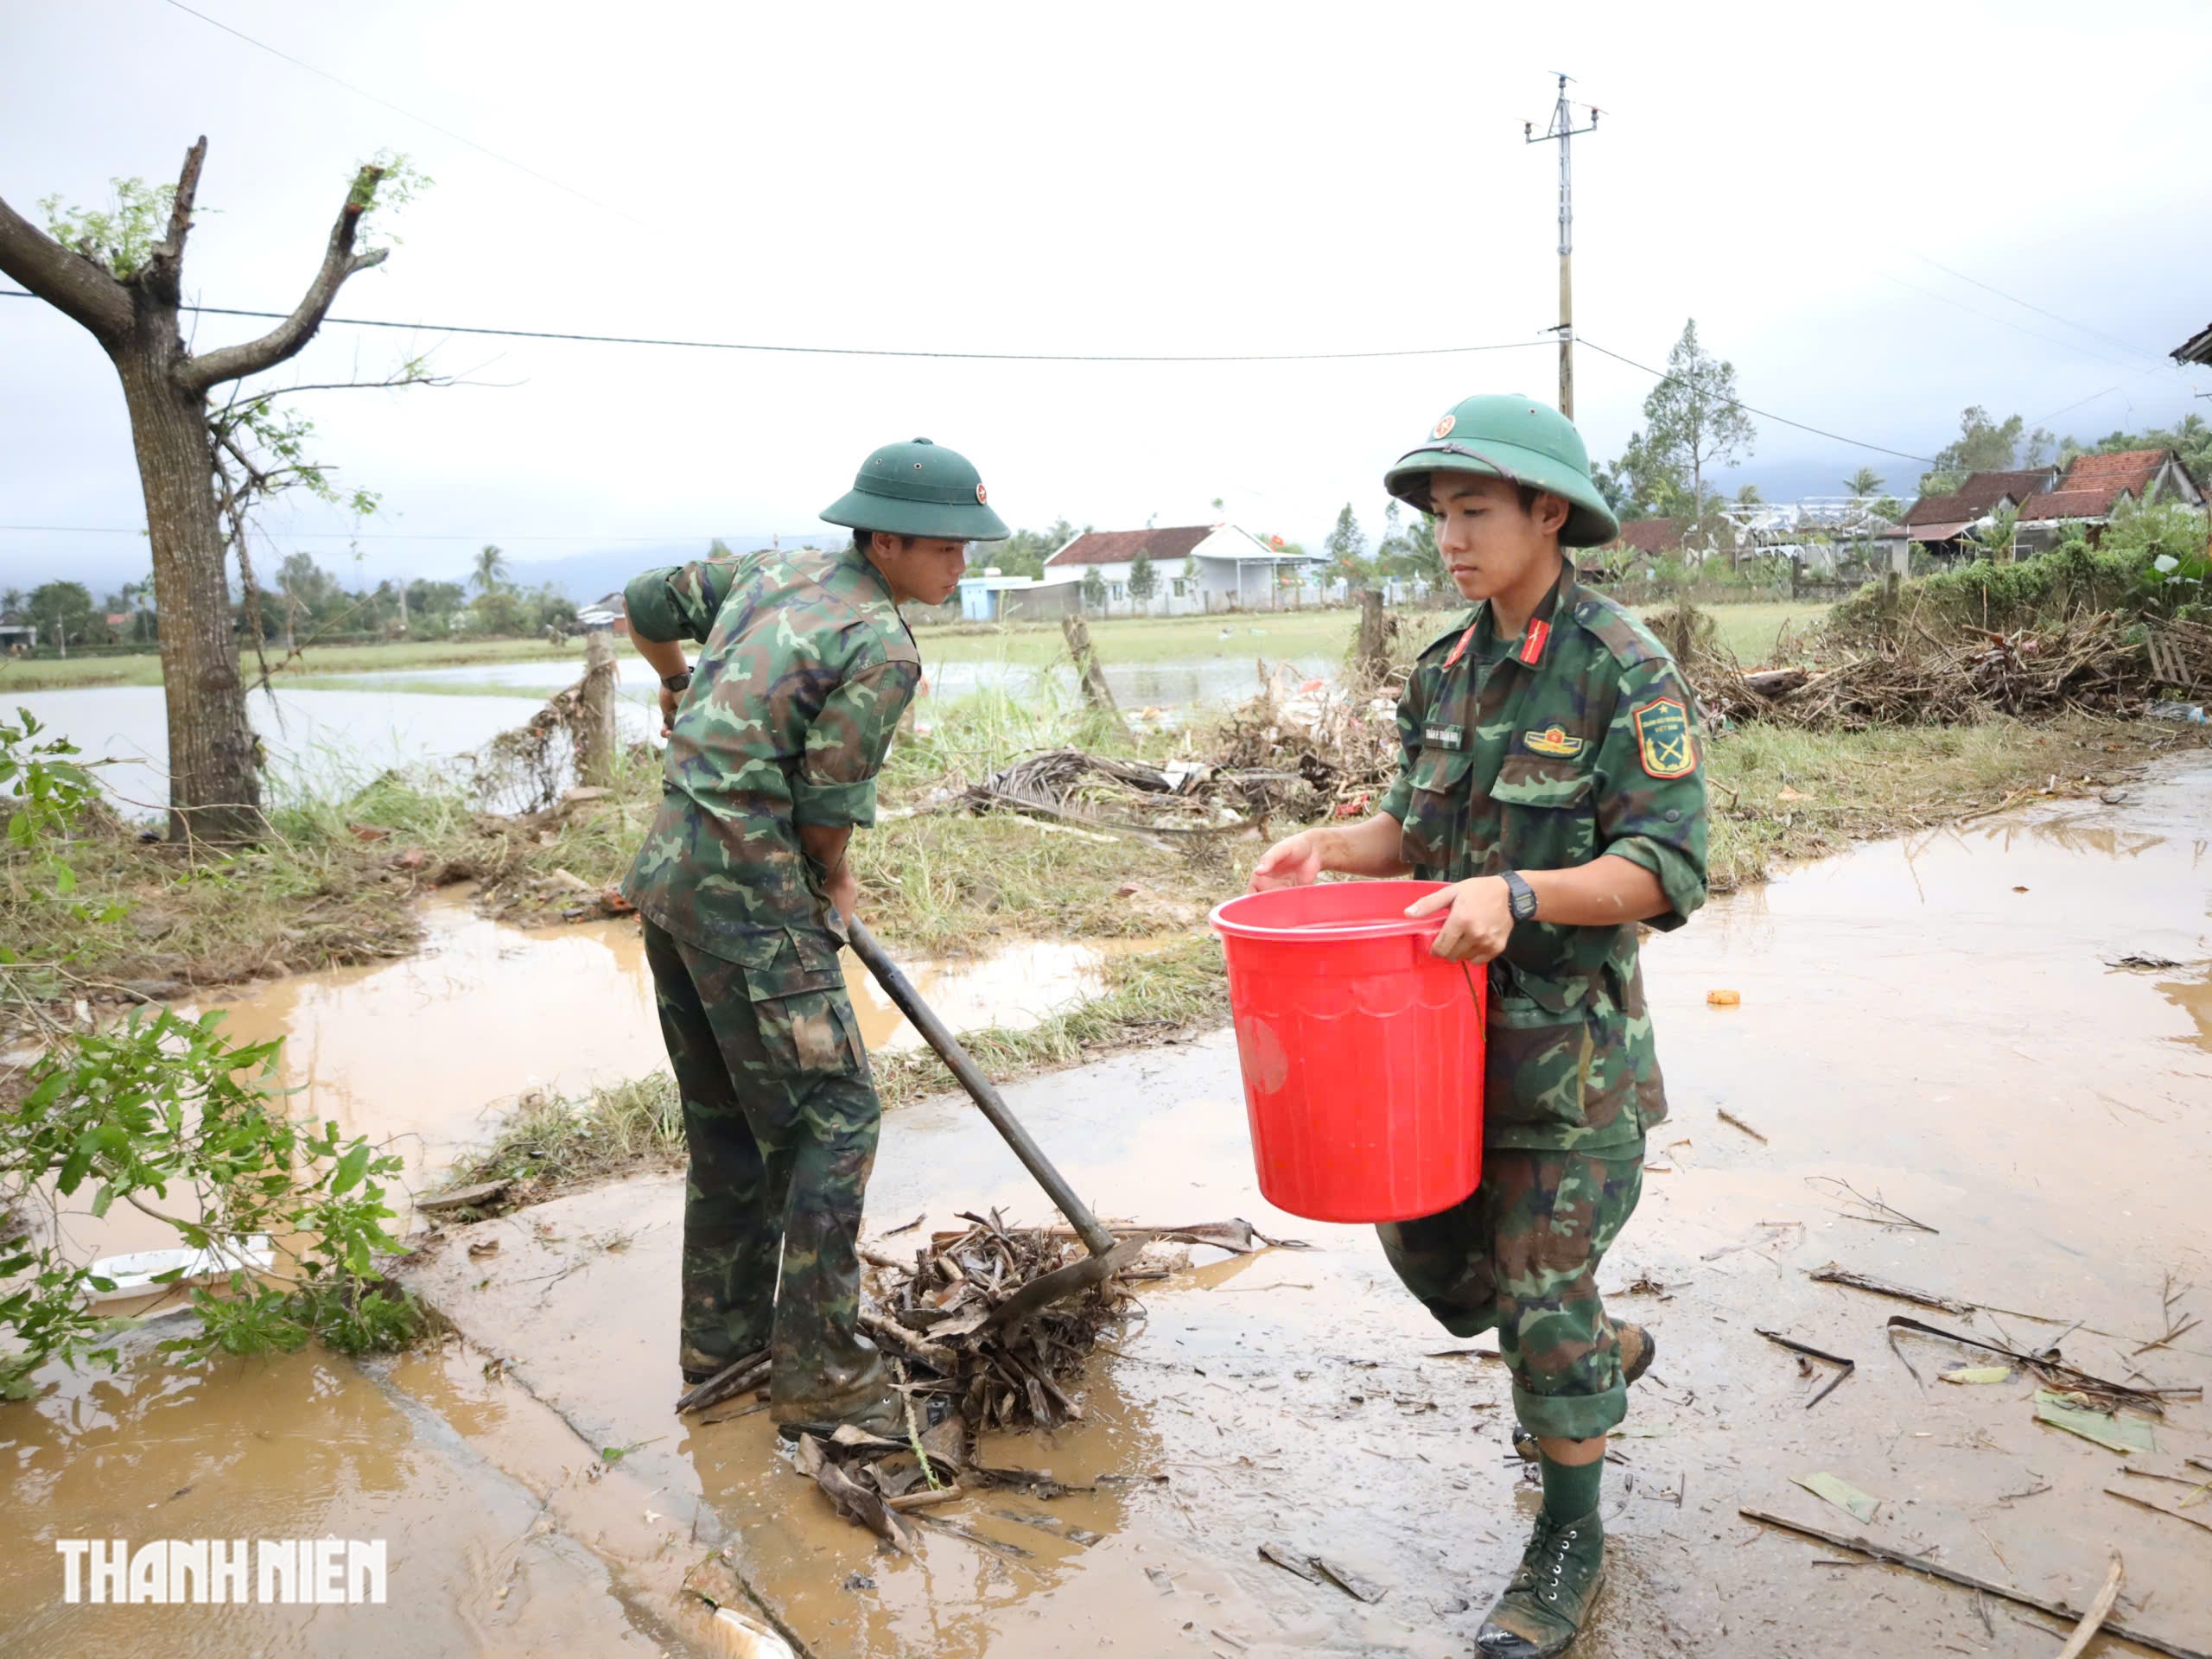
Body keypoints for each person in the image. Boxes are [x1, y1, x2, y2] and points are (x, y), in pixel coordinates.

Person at [1249, 395, 1707, 1657]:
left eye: (1475, 511)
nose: (1450, 537)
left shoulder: (1620, 667)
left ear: (1547, 513)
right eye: (1439, 516)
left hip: (1566, 1063)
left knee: (1538, 1289)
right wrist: (1337, 847)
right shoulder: (1444, 669)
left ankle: (1569, 1533)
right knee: (1440, 1269)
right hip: (1431, 1054)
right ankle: (1598, 1352)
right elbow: (1416, 828)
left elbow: (1669, 867)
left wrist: (1521, 896)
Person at [620, 436, 1007, 1432]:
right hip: (753, 906)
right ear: (885, 539)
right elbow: (824, 801)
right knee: (836, 1121)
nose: (962, 566)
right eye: (946, 548)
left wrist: (673, 682)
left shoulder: (769, 569)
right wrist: (833, 879)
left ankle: (725, 1340)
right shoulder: (881, 647)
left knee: (727, 1130)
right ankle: (822, 1375)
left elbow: (648, 603)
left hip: (669, 889)